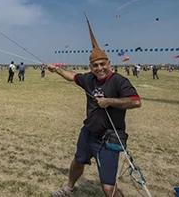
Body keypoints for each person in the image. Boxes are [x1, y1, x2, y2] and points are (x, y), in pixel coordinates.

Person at [49, 18, 141, 197]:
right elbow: (72, 76)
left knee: (107, 187)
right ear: (90, 67)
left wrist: (109, 101)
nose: (99, 68)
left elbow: (136, 102)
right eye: (95, 65)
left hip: (108, 139)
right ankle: (69, 188)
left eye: (102, 64)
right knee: (78, 161)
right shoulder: (88, 79)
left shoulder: (119, 81)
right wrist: (57, 70)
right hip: (88, 132)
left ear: (109, 64)